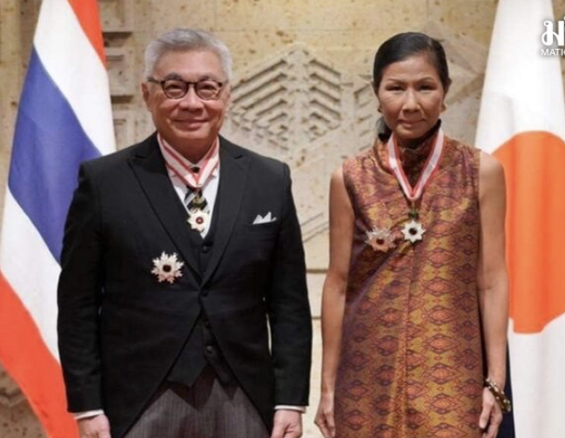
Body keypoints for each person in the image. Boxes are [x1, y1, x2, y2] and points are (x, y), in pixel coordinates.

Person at [57, 27, 312, 438]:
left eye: (207, 88)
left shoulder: (269, 180)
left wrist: (290, 400)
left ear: (227, 95)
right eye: (174, 87)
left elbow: (289, 305)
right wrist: (88, 407)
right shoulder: (104, 182)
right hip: (138, 399)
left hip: (245, 397)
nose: (192, 103)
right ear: (147, 94)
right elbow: (78, 305)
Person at [314, 32, 510, 438]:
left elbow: (491, 281)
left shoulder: (481, 171)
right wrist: (328, 386)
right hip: (366, 374)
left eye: (425, 87)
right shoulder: (349, 178)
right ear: (376, 93)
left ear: (445, 92)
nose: (410, 103)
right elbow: (337, 285)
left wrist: (495, 381)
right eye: (395, 88)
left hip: (453, 373)